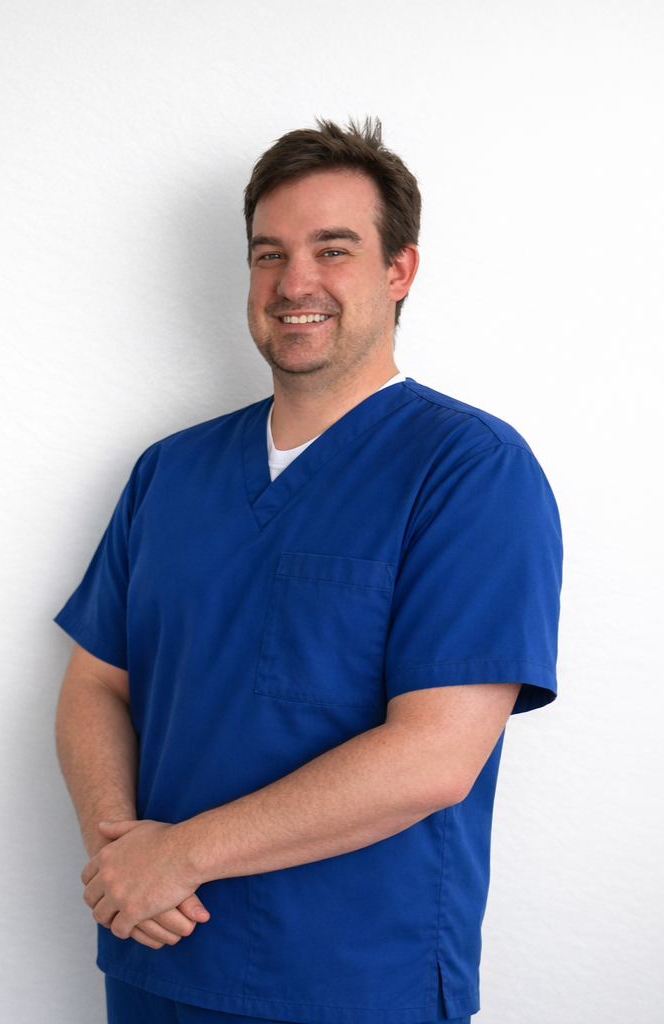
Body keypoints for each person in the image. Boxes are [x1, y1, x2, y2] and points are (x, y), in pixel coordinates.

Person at [55, 119, 562, 1024]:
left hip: (352, 975)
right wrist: (126, 851)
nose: (295, 283)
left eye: (334, 249)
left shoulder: (469, 471)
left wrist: (182, 857)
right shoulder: (169, 472)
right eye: (267, 254)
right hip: (154, 955)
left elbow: (436, 756)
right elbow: (95, 682)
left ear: (399, 270)